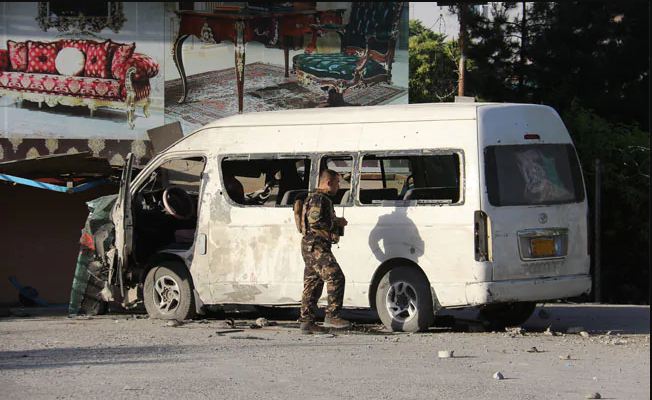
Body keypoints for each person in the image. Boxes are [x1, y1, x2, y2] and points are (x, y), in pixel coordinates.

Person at [299, 169, 351, 334]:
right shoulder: (319, 199)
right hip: (316, 244)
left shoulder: (320, 199)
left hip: (312, 245)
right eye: (336, 183)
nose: (338, 186)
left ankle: (307, 322)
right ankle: (332, 315)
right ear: (328, 183)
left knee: (313, 283)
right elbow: (314, 222)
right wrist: (336, 224)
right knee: (335, 276)